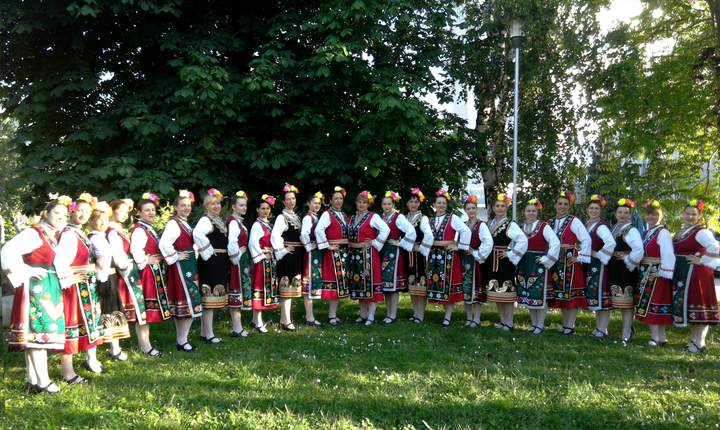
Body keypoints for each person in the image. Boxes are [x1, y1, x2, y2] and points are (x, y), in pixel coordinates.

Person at [2, 197, 70, 393]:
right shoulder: (35, 233)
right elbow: (7, 250)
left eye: (64, 215)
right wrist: (26, 269)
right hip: (37, 288)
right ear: (46, 213)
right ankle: (43, 382)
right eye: (57, 213)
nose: (61, 217)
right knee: (39, 334)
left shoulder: (49, 235)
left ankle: (32, 380)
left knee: (36, 335)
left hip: (46, 287)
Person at [54, 195, 104, 384]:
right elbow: (60, 261)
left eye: (87, 211)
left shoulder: (79, 232)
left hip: (85, 286)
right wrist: (70, 278)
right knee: (71, 326)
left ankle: (77, 367)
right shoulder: (68, 233)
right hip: (73, 288)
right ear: (72, 212)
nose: (83, 214)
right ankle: (67, 373)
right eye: (80, 210)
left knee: (83, 324)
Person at [671, 200, 719, 353]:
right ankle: (694, 340)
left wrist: (702, 260)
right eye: (687, 214)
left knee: (699, 305)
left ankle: (700, 342)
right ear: (682, 215)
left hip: (697, 273)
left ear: (699, 216)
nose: (690, 217)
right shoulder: (682, 231)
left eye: (694, 214)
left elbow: (714, 246)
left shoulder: (701, 231)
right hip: (685, 274)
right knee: (691, 305)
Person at [159, 190, 202, 352]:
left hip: (188, 265)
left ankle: (181, 339)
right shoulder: (174, 223)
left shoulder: (182, 223)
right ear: (175, 207)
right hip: (181, 267)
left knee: (183, 303)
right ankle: (183, 341)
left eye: (188, 205)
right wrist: (176, 256)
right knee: (188, 301)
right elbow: (164, 244)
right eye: (182, 205)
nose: (186, 208)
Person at [88, 203, 131, 362]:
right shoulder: (94, 237)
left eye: (105, 219)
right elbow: (104, 256)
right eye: (99, 219)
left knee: (113, 311)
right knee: (107, 311)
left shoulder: (102, 236)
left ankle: (115, 349)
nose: (103, 223)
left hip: (110, 277)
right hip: (102, 278)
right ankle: (110, 349)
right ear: (91, 221)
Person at [107, 199, 147, 360]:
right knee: (116, 309)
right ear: (112, 210)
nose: (124, 214)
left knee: (122, 308)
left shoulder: (118, 229)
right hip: (120, 274)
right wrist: (126, 267)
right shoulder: (111, 231)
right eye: (121, 211)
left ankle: (116, 348)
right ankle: (114, 349)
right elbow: (118, 255)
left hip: (127, 272)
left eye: (126, 211)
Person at [548, 191, 592, 335]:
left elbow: (586, 239)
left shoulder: (574, 221)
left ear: (569, 206)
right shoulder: (550, 222)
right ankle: (565, 324)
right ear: (555, 205)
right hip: (556, 259)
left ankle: (570, 325)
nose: (562, 207)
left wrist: (580, 257)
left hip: (569, 260)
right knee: (560, 293)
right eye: (560, 204)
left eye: (565, 204)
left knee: (570, 293)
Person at [130, 193, 168, 356]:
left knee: (146, 310)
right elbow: (135, 250)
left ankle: (145, 344)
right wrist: (146, 259)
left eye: (153, 210)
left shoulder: (148, 228)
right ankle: (146, 347)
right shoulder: (139, 230)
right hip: (146, 273)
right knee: (143, 310)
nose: (151, 213)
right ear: (139, 212)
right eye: (147, 210)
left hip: (154, 271)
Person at [426, 189, 471, 327]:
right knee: (438, 284)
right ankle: (445, 314)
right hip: (434, 256)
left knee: (448, 285)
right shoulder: (429, 220)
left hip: (448, 256)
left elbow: (466, 230)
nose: (441, 205)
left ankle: (447, 317)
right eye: (439, 203)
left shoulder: (453, 218)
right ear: (434, 204)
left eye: (443, 203)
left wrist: (459, 245)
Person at [484, 194, 528, 331]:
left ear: (506, 207)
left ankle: (509, 322)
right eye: (497, 206)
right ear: (493, 207)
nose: (500, 208)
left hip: (504, 261)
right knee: (497, 291)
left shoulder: (510, 224)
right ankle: (502, 321)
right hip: (492, 260)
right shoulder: (490, 223)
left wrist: (510, 253)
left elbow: (523, 239)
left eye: (502, 206)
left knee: (507, 291)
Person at [634, 200, 675, 346]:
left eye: (654, 214)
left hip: (656, 272)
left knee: (654, 303)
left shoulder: (662, 232)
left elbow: (668, 253)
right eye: (648, 214)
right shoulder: (647, 232)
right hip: (647, 270)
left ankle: (656, 338)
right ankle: (661, 338)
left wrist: (663, 271)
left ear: (661, 216)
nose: (650, 217)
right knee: (652, 303)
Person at [516, 198, 560, 334]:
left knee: (539, 293)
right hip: (524, 262)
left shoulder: (543, 226)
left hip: (537, 263)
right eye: (528, 211)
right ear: (524, 212)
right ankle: (534, 324)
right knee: (528, 293)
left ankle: (540, 324)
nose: (531, 213)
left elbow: (555, 242)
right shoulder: (520, 227)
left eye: (533, 211)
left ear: (537, 212)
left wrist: (546, 258)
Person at [347, 191, 390, 325]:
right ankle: (363, 315)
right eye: (359, 202)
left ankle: (371, 316)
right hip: (354, 255)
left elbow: (385, 229)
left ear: (368, 204)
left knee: (370, 284)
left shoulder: (373, 216)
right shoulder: (352, 218)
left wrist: (376, 242)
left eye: (364, 202)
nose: (361, 204)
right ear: (356, 203)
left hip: (368, 255)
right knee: (359, 283)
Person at [193, 188, 229, 344]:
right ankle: (209, 335)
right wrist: (207, 250)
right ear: (206, 206)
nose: (216, 206)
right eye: (212, 204)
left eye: (218, 204)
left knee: (211, 299)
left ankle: (204, 333)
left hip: (219, 260)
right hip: (210, 261)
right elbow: (197, 234)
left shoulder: (217, 219)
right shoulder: (205, 220)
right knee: (209, 299)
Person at [607, 198, 643, 342]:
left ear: (630, 215)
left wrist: (629, 259)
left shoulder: (631, 230)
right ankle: (628, 328)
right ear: (615, 213)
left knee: (627, 302)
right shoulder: (615, 228)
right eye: (620, 212)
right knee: (621, 302)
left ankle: (626, 332)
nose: (622, 215)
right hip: (615, 266)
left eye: (625, 213)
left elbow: (639, 248)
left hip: (626, 268)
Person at [271, 184, 306, 332]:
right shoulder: (282, 217)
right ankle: (286, 321)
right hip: (289, 255)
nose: (291, 201)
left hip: (297, 254)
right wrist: (282, 250)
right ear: (283, 201)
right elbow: (275, 235)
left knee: (292, 287)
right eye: (288, 199)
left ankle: (284, 319)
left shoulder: (296, 217)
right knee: (287, 288)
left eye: (293, 198)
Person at [315, 186, 350, 326]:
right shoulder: (327, 214)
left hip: (343, 252)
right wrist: (326, 245)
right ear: (330, 200)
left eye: (341, 198)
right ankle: (331, 316)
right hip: (334, 252)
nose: (339, 201)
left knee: (340, 284)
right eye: (336, 198)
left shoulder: (344, 215)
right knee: (335, 284)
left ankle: (333, 315)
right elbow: (319, 229)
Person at [379, 191, 416, 324]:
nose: (387, 206)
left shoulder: (398, 217)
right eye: (384, 204)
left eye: (389, 204)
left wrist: (400, 243)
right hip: (383, 252)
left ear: (393, 204)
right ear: (382, 205)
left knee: (393, 285)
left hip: (393, 253)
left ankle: (393, 315)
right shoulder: (382, 217)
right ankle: (388, 313)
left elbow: (411, 231)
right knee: (386, 285)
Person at [583, 195, 616, 338]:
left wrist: (599, 254)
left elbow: (611, 242)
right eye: (591, 208)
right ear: (587, 209)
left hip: (600, 264)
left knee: (602, 294)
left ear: (600, 210)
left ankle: (603, 328)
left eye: (596, 208)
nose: (594, 211)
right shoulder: (587, 224)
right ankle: (599, 327)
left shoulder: (600, 226)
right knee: (595, 294)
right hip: (590, 264)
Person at [248, 194, 280, 333]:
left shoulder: (269, 225)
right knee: (259, 289)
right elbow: (252, 242)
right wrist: (262, 255)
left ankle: (255, 321)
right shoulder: (257, 225)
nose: (265, 211)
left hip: (269, 260)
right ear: (257, 210)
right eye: (263, 208)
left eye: (267, 208)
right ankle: (259, 323)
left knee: (265, 290)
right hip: (262, 261)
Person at [461, 195, 492, 328]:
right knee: (466, 290)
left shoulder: (481, 225)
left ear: (476, 209)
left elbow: (488, 242)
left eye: (473, 208)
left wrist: (477, 253)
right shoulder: (463, 225)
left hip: (474, 262)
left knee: (476, 290)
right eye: (468, 209)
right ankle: (469, 319)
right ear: (465, 210)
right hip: (464, 261)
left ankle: (477, 319)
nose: (471, 211)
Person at [402, 188, 433, 323]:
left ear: (419, 203)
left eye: (415, 201)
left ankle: (421, 314)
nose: (413, 204)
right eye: (410, 201)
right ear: (407, 203)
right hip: (407, 255)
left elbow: (429, 234)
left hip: (420, 255)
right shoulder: (404, 218)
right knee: (412, 284)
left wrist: (421, 247)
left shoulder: (423, 218)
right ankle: (415, 313)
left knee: (421, 283)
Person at [227, 191, 252, 337]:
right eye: (241, 205)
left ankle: (238, 327)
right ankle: (237, 328)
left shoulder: (238, 222)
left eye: (245, 205)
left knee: (240, 292)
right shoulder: (233, 223)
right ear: (233, 207)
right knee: (237, 292)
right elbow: (232, 242)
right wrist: (237, 254)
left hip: (242, 261)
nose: (244, 208)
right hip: (236, 262)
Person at [299, 192, 326, 327]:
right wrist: (309, 246)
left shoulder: (316, 217)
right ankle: (310, 317)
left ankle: (311, 316)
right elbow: (304, 233)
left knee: (313, 282)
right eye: (314, 203)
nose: (317, 205)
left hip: (316, 252)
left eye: (319, 203)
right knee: (309, 283)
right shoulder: (308, 218)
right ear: (308, 204)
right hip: (311, 253)